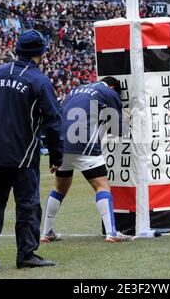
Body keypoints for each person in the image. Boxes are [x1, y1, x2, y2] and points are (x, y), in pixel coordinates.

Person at [0, 30, 64, 270]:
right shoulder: (38, 81)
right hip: (23, 154)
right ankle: (26, 254)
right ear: (41, 53)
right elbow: (53, 121)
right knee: (27, 203)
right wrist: (57, 155)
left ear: (17, 50)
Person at [40, 77, 134, 244]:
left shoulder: (74, 91)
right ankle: (112, 232)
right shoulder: (109, 92)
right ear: (112, 87)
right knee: (102, 186)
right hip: (85, 144)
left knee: (60, 189)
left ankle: (46, 232)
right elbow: (119, 130)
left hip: (62, 144)